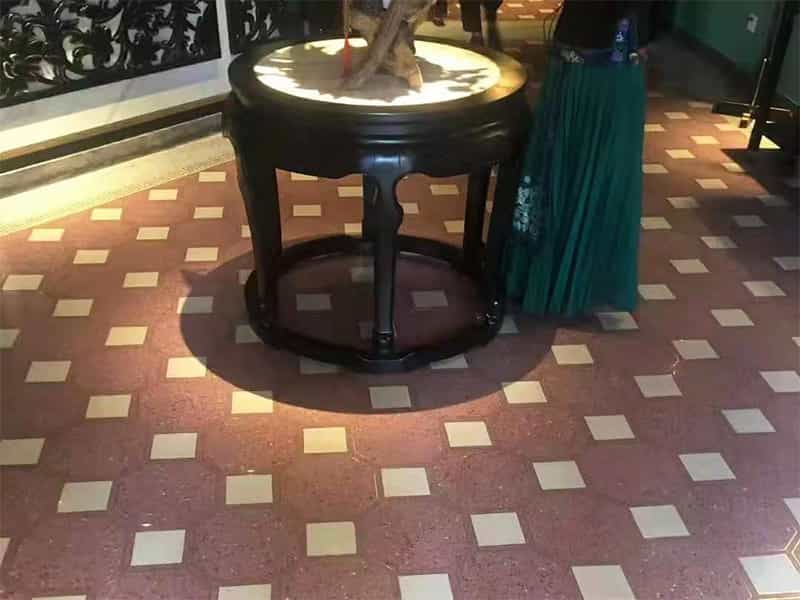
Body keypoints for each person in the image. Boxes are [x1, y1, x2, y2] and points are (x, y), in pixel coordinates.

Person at [505, 0, 656, 318]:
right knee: (563, 165)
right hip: (586, 56)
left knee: (594, 169)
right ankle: (557, 276)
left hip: (607, 59)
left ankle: (573, 278)